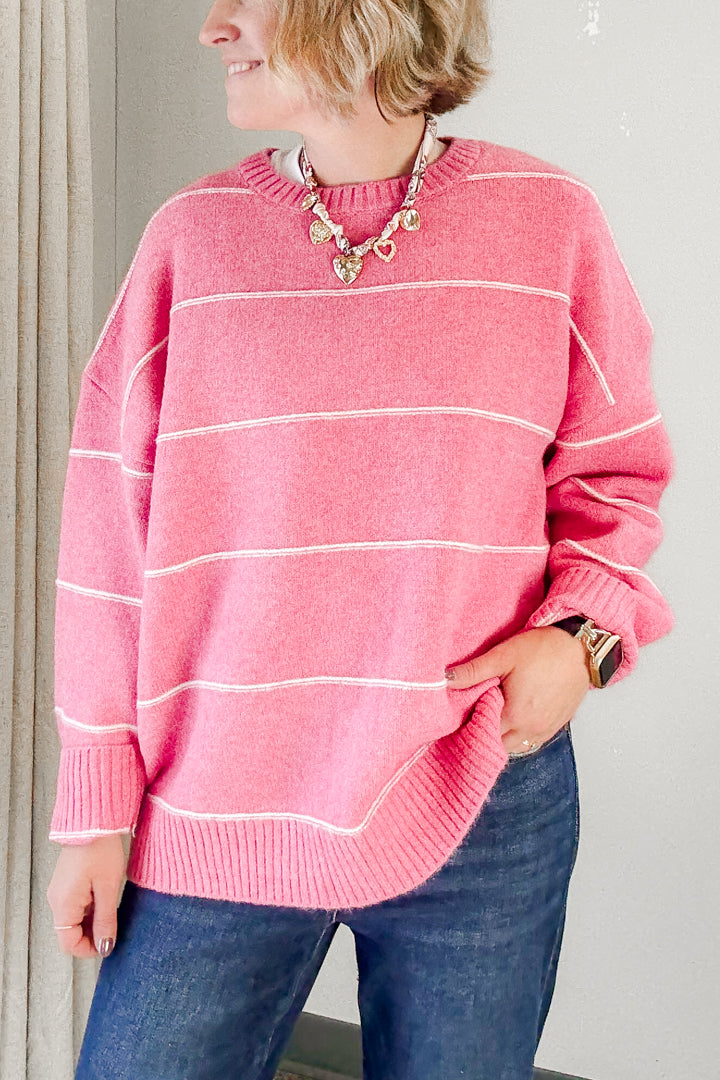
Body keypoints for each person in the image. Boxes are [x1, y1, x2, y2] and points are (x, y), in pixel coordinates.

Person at [45, 1, 674, 1077]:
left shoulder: (548, 225)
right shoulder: (192, 241)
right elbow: (108, 542)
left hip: (480, 790)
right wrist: (97, 808)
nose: (212, 26)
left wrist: (583, 644)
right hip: (216, 803)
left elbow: (616, 476)